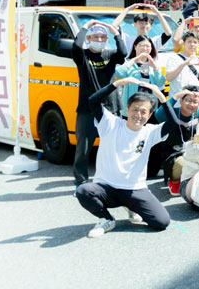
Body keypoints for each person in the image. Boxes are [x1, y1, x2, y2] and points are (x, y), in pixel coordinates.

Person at [75, 78, 173, 238]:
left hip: (134, 189)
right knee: (83, 190)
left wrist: (160, 95)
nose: (138, 115)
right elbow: (92, 100)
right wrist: (116, 84)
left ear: (149, 115)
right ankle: (106, 219)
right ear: (127, 109)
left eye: (143, 112)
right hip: (107, 188)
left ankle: (131, 206)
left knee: (162, 222)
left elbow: (173, 123)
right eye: (135, 109)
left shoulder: (150, 132)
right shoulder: (110, 123)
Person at [72, 20, 127, 188]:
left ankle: (112, 180)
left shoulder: (110, 55)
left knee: (113, 147)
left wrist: (115, 32)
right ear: (88, 38)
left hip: (111, 108)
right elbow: (75, 46)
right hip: (87, 109)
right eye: (96, 36)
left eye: (103, 37)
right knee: (83, 148)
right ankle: (81, 182)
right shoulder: (83, 56)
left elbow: (123, 52)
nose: (100, 39)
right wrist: (85, 26)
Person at [153, 84, 199, 191]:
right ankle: (175, 180)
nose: (191, 104)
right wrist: (175, 96)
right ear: (181, 101)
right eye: (188, 100)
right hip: (174, 156)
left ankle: (192, 181)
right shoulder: (173, 112)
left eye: (195, 102)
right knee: (183, 163)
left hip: (194, 153)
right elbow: (158, 116)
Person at [113, 35, 166, 117]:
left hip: (149, 109)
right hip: (131, 108)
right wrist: (134, 60)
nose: (145, 48)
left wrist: (155, 67)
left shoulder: (154, 65)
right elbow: (119, 73)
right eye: (141, 45)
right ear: (135, 47)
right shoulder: (128, 63)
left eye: (148, 46)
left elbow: (160, 82)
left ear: (151, 48)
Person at [165, 30, 199, 97]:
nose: (192, 45)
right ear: (183, 43)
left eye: (195, 42)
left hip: (195, 101)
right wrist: (184, 64)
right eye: (189, 42)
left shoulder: (198, 60)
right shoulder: (174, 58)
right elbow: (169, 78)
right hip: (178, 102)